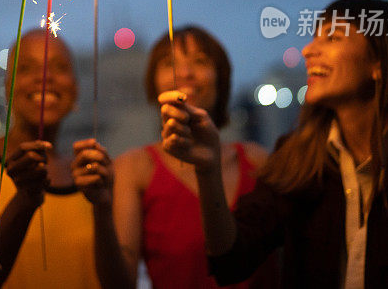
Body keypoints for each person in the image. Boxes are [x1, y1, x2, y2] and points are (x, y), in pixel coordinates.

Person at [160, 0, 388, 288]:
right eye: (314, 37)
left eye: (333, 38)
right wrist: (208, 168)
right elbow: (232, 261)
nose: (308, 50)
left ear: (381, 63)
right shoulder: (298, 158)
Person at [72, 26, 278, 288]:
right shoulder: (135, 168)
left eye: (200, 61)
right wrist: (101, 209)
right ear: (153, 82)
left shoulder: (258, 163)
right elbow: (120, 283)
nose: (185, 73)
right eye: (170, 63)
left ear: (221, 77)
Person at [0, 29, 104, 288]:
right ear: (7, 86)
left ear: (76, 86)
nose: (45, 77)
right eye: (27, 68)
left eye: (59, 67)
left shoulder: (90, 176)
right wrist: (24, 201)